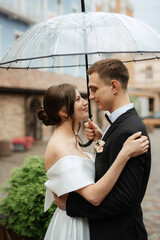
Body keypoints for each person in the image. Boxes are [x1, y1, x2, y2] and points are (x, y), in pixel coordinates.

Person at [37, 83, 149, 240]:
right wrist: (124, 154)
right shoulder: (59, 146)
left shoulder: (73, 138)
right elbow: (94, 196)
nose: (85, 101)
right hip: (74, 227)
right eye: (77, 99)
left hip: (89, 221)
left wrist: (101, 138)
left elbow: (89, 171)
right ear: (63, 112)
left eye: (81, 97)